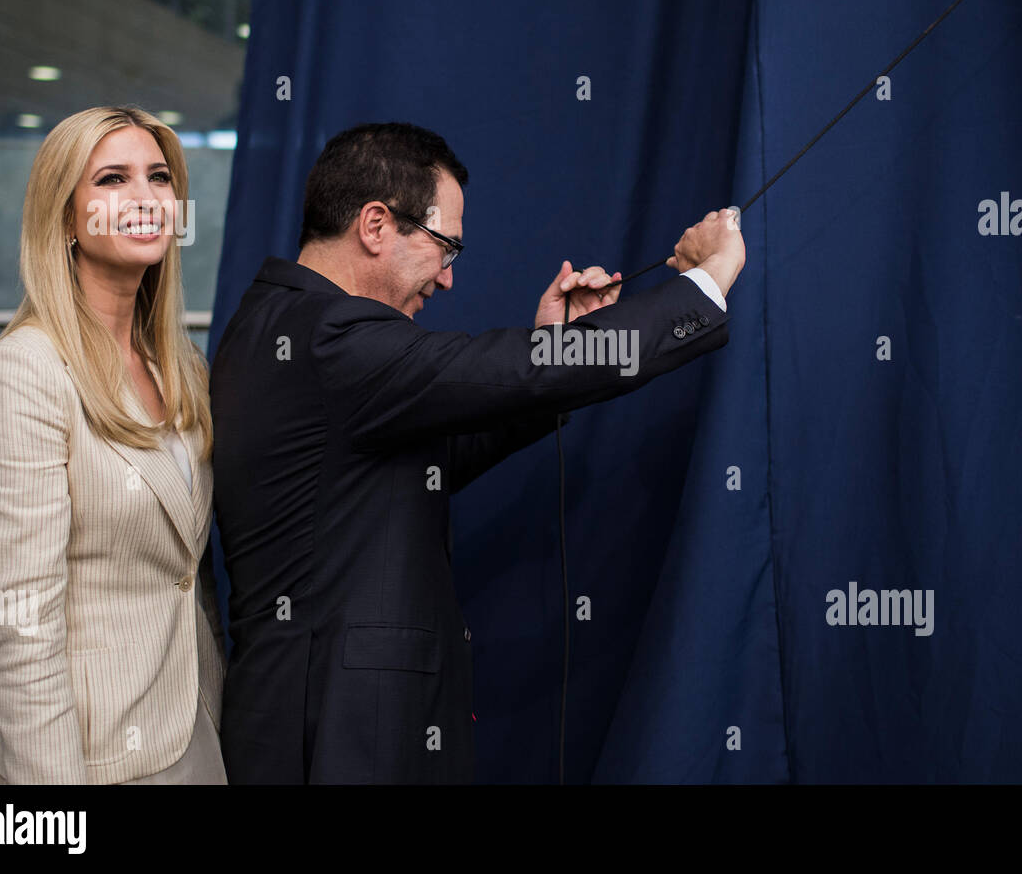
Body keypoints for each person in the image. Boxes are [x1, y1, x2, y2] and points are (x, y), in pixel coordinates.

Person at [211, 121, 744, 783]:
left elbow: (420, 462)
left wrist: (556, 350)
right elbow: (507, 369)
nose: (448, 278)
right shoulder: (328, 336)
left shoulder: (279, 323)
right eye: (445, 247)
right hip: (342, 738)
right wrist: (708, 282)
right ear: (376, 225)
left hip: (327, 724)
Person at [0, 106, 227, 784]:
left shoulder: (181, 367)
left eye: (159, 177)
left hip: (194, 736)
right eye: (112, 179)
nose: (145, 198)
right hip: (85, 761)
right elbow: (21, 625)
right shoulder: (26, 372)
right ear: (65, 218)